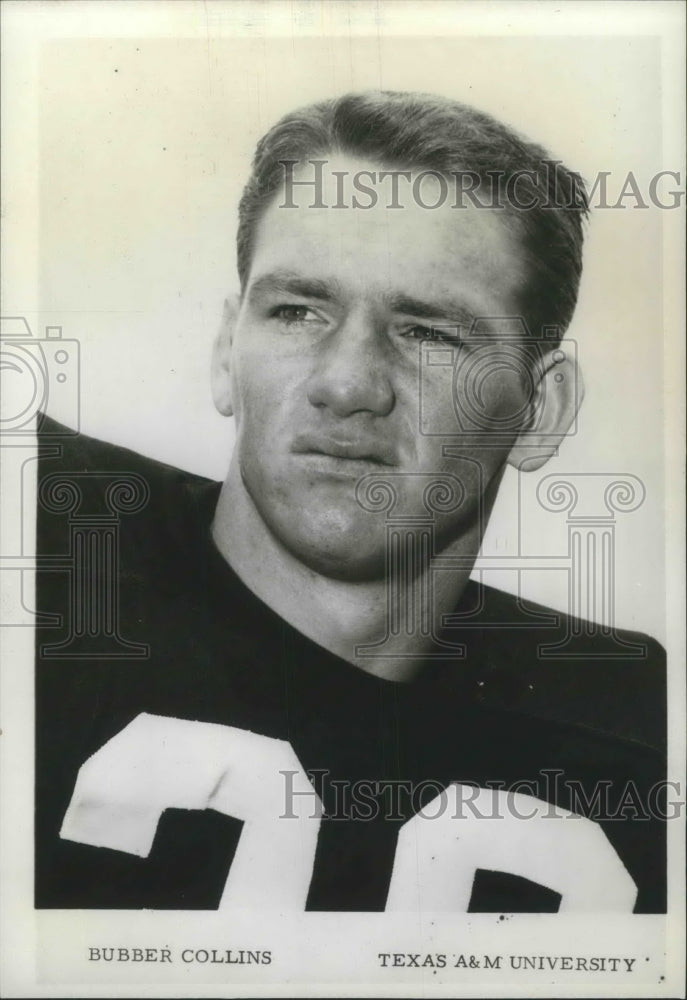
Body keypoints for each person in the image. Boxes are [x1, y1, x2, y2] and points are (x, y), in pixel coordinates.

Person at [35, 91, 666, 913]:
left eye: (428, 332)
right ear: (227, 352)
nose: (346, 384)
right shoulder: (46, 539)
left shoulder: (631, 729)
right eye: (298, 311)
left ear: (540, 409)